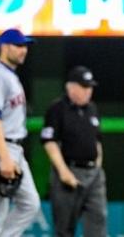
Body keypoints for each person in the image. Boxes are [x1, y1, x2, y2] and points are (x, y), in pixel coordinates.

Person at [0, 28, 41, 236]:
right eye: (19, 45)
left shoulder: (9, 76)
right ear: (4, 47)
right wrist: (3, 158)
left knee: (30, 204)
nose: (24, 50)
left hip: (13, 148)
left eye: (25, 46)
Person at [40, 65, 108, 237]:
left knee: (98, 220)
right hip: (69, 173)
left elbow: (97, 140)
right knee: (65, 227)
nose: (88, 91)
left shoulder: (92, 109)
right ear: (70, 86)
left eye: (90, 87)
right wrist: (63, 171)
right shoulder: (57, 109)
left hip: (94, 174)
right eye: (84, 87)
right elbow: (49, 141)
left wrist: (98, 166)